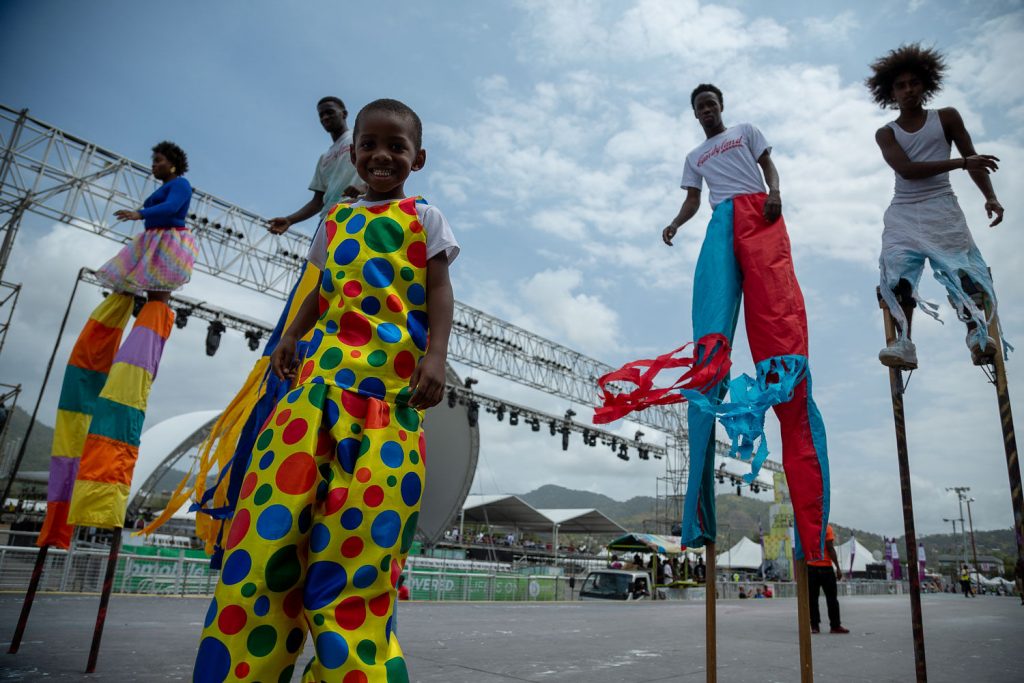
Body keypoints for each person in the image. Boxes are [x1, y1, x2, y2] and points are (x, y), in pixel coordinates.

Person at [193, 99, 459, 683]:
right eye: (370, 144)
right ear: (353, 152)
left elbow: (440, 290)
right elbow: (321, 289)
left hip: (384, 414)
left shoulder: (426, 218)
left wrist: (436, 354)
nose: (382, 155)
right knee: (262, 554)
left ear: (419, 158)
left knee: (355, 569)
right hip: (310, 399)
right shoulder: (335, 219)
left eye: (397, 146)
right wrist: (291, 336)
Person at [658, 83, 829, 567]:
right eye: (699, 107)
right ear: (694, 115)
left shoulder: (745, 132)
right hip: (720, 220)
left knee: (779, 336)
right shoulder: (696, 155)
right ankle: (697, 519)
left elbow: (769, 164)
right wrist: (675, 222)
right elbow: (694, 199)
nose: (706, 111)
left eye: (711, 104)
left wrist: (776, 192)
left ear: (721, 107)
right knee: (709, 349)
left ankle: (813, 536)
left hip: (758, 212)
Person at [36, 141, 197, 549]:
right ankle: (127, 308)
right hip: (152, 241)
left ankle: (151, 314)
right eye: (153, 161)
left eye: (159, 160)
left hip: (165, 239)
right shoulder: (167, 184)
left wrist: (140, 213)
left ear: (173, 163)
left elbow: (167, 210)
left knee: (157, 295)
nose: (154, 166)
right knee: (126, 287)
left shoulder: (181, 185)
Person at [867, 44, 1006, 369]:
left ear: (925, 84)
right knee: (896, 278)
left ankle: (977, 336)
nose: (909, 90)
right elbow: (908, 171)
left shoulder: (946, 117)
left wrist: (990, 196)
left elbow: (974, 161)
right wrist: (962, 162)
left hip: (942, 208)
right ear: (891, 93)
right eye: (901, 85)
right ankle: (904, 343)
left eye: (914, 83)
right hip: (903, 211)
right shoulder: (886, 133)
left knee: (964, 274)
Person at [268, 96, 366, 235]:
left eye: (330, 112)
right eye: (321, 115)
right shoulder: (324, 158)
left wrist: (364, 187)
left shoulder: (359, 138)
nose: (325, 117)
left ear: (344, 114)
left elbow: (380, 168)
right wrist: (290, 220)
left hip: (356, 210)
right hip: (327, 219)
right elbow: (318, 201)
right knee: (320, 257)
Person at [807, 524, 849, 634]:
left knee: (812, 599)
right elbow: (830, 548)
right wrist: (838, 568)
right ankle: (835, 626)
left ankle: (815, 626)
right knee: (832, 599)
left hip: (811, 567)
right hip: (826, 567)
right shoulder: (827, 527)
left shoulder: (808, 526)